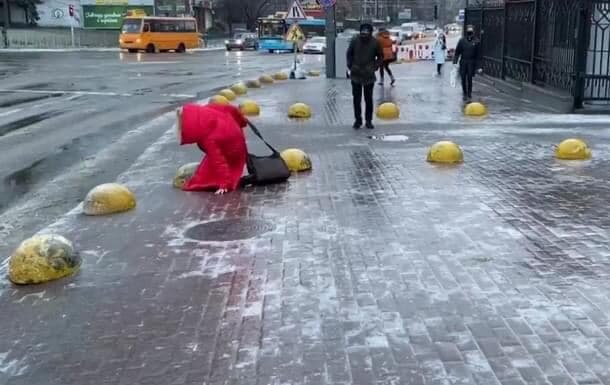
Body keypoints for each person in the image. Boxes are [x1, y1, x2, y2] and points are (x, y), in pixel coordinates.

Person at [177, 103, 248, 194]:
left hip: (234, 150)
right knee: (209, 165)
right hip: (236, 133)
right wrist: (242, 121)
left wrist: (224, 184)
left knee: (204, 177)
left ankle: (227, 176)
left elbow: (218, 160)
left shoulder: (208, 139)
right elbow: (229, 108)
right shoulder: (207, 111)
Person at [347, 23, 384, 130]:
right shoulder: (355, 40)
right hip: (356, 74)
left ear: (370, 33)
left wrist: (374, 67)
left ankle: (368, 121)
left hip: (368, 75)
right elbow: (349, 54)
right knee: (357, 99)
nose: (364, 34)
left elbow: (381, 56)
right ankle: (358, 120)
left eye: (366, 32)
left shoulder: (375, 42)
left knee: (368, 99)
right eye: (363, 32)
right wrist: (351, 66)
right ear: (360, 32)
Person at [453, 25, 480, 101]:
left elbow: (478, 55)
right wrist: (455, 61)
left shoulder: (476, 41)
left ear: (473, 31)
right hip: (463, 61)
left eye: (471, 30)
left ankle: (469, 93)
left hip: (471, 62)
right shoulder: (462, 41)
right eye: (468, 30)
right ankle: (464, 92)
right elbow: (457, 52)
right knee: (463, 78)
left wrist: (479, 66)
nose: (470, 31)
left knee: (469, 78)